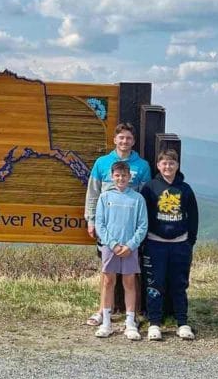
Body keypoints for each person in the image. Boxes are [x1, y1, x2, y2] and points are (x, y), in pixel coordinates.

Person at [84, 121, 151, 327]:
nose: (125, 141)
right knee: (107, 274)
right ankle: (102, 312)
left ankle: (133, 314)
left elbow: (146, 195)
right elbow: (93, 192)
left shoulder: (142, 165)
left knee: (132, 276)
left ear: (134, 141)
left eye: (129, 138)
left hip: (131, 230)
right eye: (121, 137)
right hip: (108, 229)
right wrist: (91, 219)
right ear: (115, 139)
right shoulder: (102, 163)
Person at [140, 148, 199, 340]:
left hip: (180, 245)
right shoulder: (150, 188)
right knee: (154, 284)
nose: (168, 166)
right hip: (155, 244)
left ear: (177, 166)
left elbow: (193, 216)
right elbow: (143, 215)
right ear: (158, 165)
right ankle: (154, 323)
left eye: (172, 163)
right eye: (164, 163)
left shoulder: (185, 189)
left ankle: (182, 322)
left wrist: (190, 241)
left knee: (179, 284)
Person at [93, 161, 148, 340]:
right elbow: (100, 224)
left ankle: (130, 322)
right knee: (108, 282)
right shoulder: (104, 197)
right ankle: (107, 322)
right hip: (110, 247)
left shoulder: (138, 199)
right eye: (117, 175)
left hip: (130, 248)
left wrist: (130, 245)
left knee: (130, 283)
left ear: (129, 177)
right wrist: (113, 244)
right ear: (112, 176)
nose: (121, 178)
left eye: (124, 175)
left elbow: (142, 225)